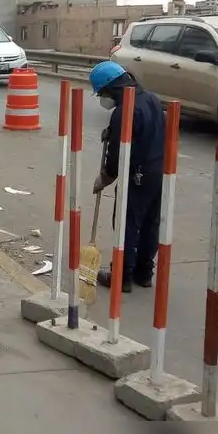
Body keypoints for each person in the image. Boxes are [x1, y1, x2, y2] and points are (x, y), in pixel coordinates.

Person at [89, 60, 166, 292]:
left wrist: (106, 176)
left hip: (137, 173)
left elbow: (117, 154)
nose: (103, 98)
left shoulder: (125, 111)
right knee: (150, 222)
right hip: (159, 170)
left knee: (126, 223)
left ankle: (121, 276)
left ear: (111, 87)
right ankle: (144, 273)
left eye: (102, 93)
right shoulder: (152, 99)